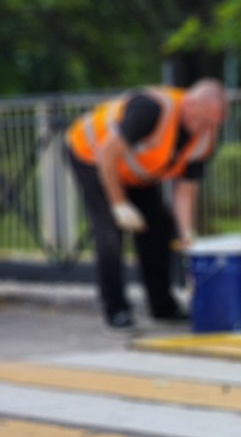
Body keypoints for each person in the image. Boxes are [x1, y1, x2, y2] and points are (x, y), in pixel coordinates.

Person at [65, 78, 227, 330]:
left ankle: (162, 306)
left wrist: (186, 233)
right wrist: (119, 205)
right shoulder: (151, 109)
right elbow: (107, 154)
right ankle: (116, 309)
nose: (206, 129)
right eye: (204, 121)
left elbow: (185, 190)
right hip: (91, 157)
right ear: (191, 104)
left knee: (158, 228)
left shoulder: (204, 138)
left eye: (213, 125)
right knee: (109, 232)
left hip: (134, 173)